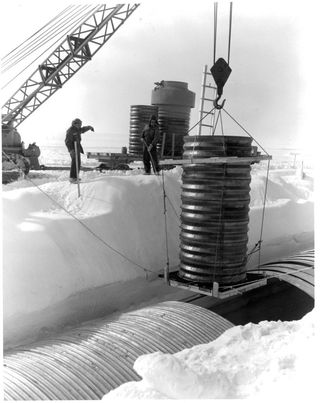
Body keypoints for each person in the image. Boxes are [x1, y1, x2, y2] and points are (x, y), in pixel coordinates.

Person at [65, 118, 94, 183]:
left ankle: (76, 177)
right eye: (79, 124)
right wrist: (71, 150)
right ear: (75, 124)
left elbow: (83, 129)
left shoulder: (77, 129)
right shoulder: (70, 131)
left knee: (78, 163)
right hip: (73, 148)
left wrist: (90, 127)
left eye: (80, 124)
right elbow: (67, 141)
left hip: (77, 147)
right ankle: (72, 178)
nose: (80, 126)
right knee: (74, 163)